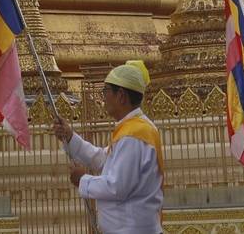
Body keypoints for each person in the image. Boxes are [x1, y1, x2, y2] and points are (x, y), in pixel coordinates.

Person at [53, 60, 163, 234]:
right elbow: (103, 159)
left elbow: (117, 187)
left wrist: (83, 180)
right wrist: (70, 137)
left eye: (106, 91)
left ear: (121, 96)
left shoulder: (134, 135)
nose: (103, 97)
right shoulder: (132, 129)